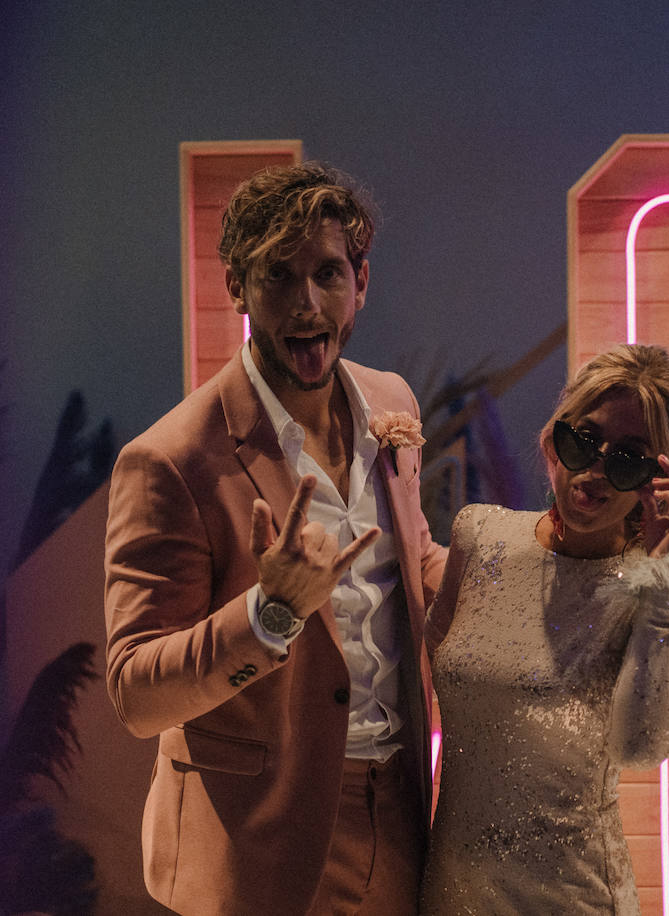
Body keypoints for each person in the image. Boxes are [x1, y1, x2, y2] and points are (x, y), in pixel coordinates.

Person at [104, 162, 446, 916]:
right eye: (277, 276)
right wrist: (272, 614)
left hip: (399, 817)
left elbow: (412, 562)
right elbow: (136, 694)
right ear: (237, 287)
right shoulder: (170, 460)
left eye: (327, 273)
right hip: (257, 841)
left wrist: (551, 564)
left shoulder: (392, 403)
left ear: (361, 279)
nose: (306, 303)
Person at [419, 344, 669, 915]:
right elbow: (426, 678)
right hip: (452, 890)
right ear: (555, 436)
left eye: (628, 460)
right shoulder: (479, 535)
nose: (593, 472)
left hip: (571, 898)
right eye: (583, 441)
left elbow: (642, 747)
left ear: (661, 480)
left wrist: (661, 585)